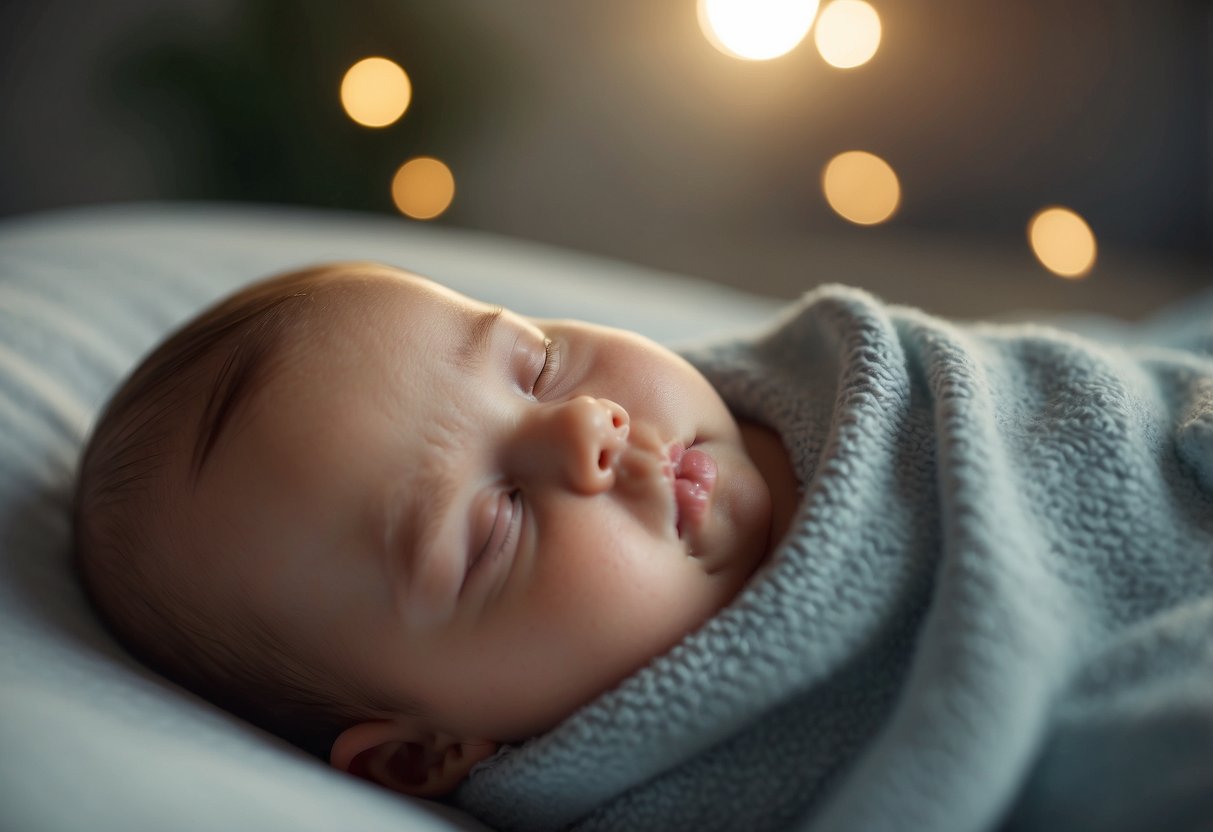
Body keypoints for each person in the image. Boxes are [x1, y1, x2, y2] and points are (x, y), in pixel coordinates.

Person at [74, 260, 1213, 831]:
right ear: (423, 756)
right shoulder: (736, 782)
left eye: (534, 362)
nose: (582, 430)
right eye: (496, 522)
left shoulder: (850, 383)